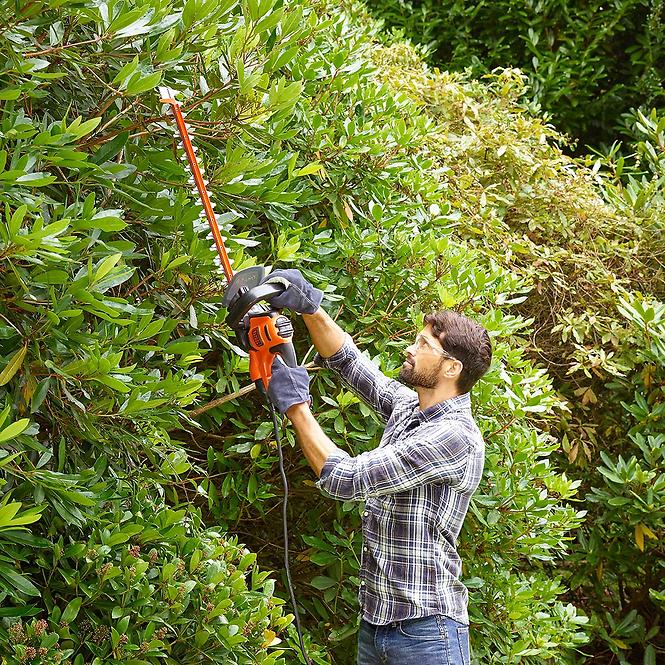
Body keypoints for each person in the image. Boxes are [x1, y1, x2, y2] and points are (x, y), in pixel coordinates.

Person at [262, 269, 492, 665]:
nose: (410, 348)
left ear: (451, 368)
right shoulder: (411, 407)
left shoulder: (454, 437)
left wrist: (297, 407)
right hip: (377, 626)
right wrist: (309, 308)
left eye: (423, 344)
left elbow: (345, 479)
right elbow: (348, 361)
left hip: (428, 635)